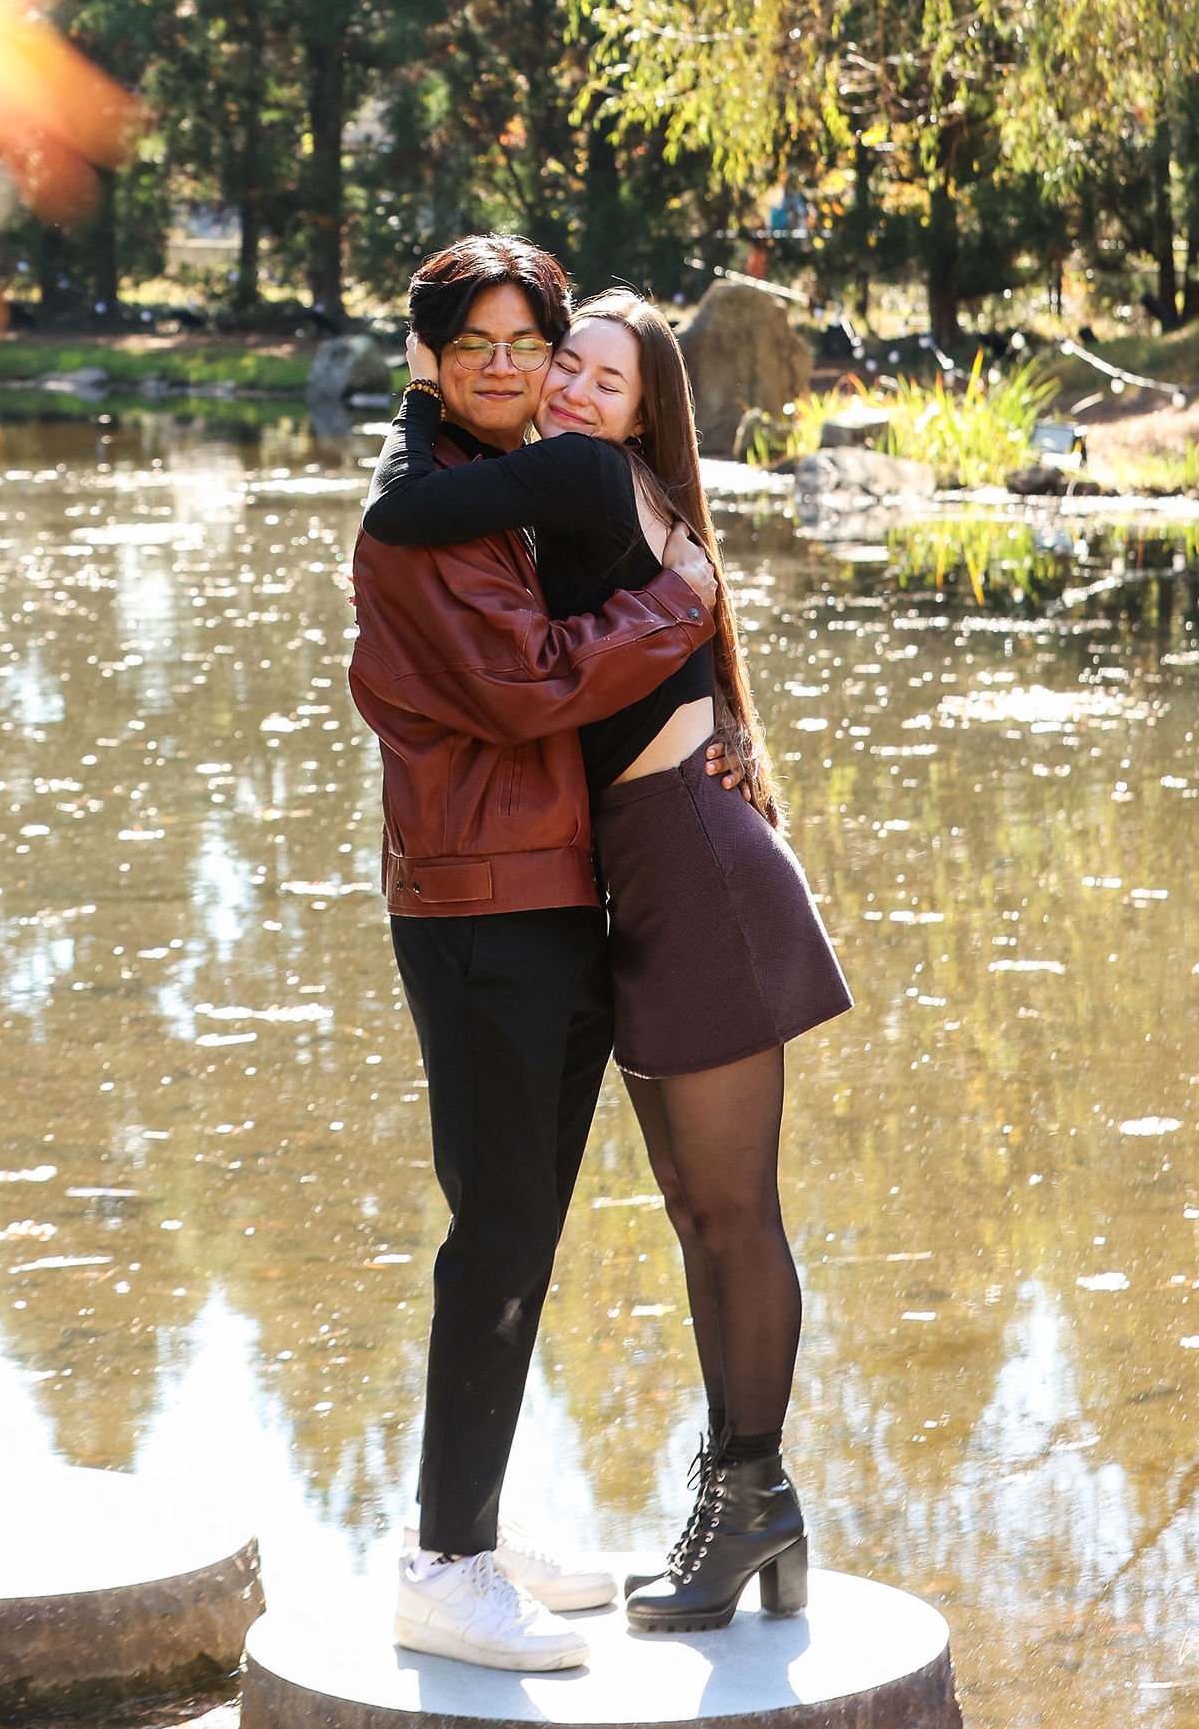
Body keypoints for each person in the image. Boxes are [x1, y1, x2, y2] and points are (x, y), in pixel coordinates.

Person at [364, 284, 851, 1636]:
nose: (571, 392)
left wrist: (423, 386)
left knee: (733, 1214)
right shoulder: (580, 490)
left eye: (603, 380)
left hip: (693, 867)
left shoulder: (576, 474)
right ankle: (752, 1505)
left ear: (646, 416)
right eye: (560, 367)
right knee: (704, 1216)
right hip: (643, 875)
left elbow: (396, 511)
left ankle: (749, 1498)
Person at [348, 238, 720, 1674]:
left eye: (532, 345)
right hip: (478, 912)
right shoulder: (420, 523)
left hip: (552, 896)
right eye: (478, 345)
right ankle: (442, 1565)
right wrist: (683, 599)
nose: (507, 369)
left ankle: (475, 1531)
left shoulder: (499, 498)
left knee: (524, 1232)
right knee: (493, 1235)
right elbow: (530, 686)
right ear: (430, 359)